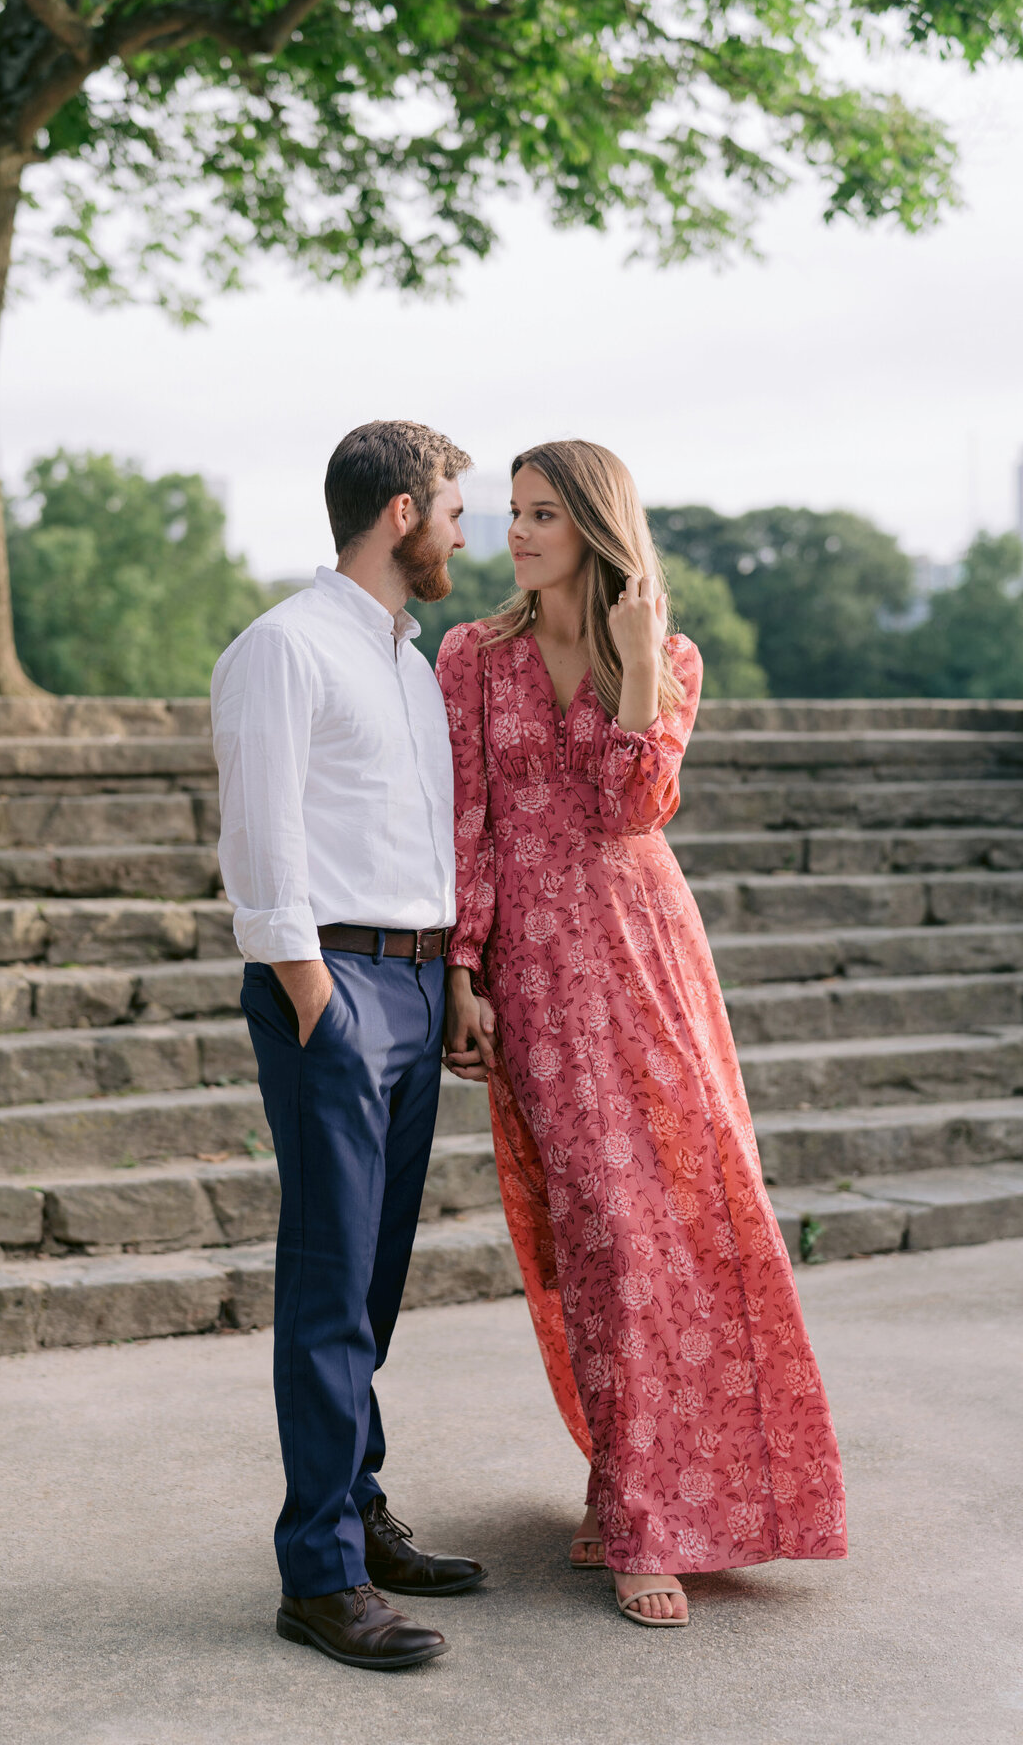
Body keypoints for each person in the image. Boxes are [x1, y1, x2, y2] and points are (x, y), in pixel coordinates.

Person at [438, 440, 846, 1628]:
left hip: (649, 959)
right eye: (510, 514)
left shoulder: (666, 653)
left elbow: (631, 808)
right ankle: (637, 1498)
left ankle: (639, 1502)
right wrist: (464, 969)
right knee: (600, 1236)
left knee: (685, 1224)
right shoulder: (473, 657)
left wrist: (626, 668)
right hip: (541, 980)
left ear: (597, 528)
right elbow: (468, 822)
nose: (514, 535)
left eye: (542, 515)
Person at [211, 421, 487, 1671]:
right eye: (455, 511)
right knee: (329, 1285)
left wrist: (445, 985)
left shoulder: (410, 665)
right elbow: (261, 833)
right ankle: (316, 1577)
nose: (464, 534)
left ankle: (357, 1510)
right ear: (397, 514)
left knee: (370, 1284)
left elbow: (422, 841)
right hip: (335, 985)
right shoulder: (283, 647)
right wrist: (314, 989)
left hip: (416, 990)